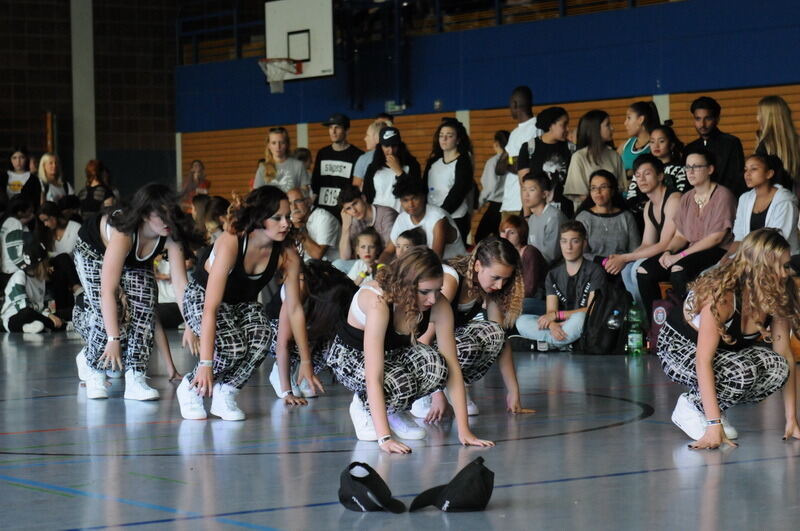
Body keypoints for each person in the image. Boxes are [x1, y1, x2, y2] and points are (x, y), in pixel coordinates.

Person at [323, 247, 494, 453]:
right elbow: (373, 376)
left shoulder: (437, 304)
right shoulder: (379, 303)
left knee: (436, 366)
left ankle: (395, 409)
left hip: (392, 354)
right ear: (405, 285)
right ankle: (362, 405)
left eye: (437, 290)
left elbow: (452, 367)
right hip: (351, 357)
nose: (432, 299)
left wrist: (464, 431)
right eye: (424, 292)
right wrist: (384, 438)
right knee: (395, 380)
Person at [177, 186, 322, 420]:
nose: (286, 223)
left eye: (287, 216)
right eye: (277, 218)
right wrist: (205, 363)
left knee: (263, 335)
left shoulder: (287, 252)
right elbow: (211, 308)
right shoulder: (232, 242)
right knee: (232, 346)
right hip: (203, 298)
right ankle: (190, 387)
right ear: (259, 218)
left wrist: (305, 361)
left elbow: (294, 308)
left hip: (241, 303)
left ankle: (226, 392)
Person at [657, 228, 800, 448]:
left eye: (786, 265)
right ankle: (693, 406)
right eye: (779, 267)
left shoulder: (777, 293)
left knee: (777, 367)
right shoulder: (723, 296)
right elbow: (703, 359)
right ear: (759, 268)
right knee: (742, 371)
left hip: (725, 351)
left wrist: (792, 419)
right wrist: (714, 426)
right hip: (679, 345)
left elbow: (786, 356)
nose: (784, 273)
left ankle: (711, 408)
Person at [73, 184, 203, 401]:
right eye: (162, 216)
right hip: (93, 252)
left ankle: (136, 376)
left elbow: (180, 283)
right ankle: (93, 367)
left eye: (172, 214)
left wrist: (190, 324)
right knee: (105, 308)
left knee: (144, 306)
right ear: (144, 215)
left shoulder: (169, 234)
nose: (169, 221)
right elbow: (107, 290)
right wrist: (113, 338)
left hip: (135, 257)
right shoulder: (124, 233)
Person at [414, 237, 533, 420]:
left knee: (494, 335)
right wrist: (435, 393)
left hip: (441, 347)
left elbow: (500, 341)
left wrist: (514, 391)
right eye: (496, 277)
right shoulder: (451, 280)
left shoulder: (488, 289)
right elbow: (423, 340)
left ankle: (453, 389)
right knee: (464, 346)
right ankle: (423, 394)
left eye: (505, 279)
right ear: (478, 266)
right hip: (413, 350)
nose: (500, 285)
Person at [636, 147, 736, 315]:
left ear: (710, 169)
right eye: (687, 167)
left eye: (696, 167)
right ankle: (657, 324)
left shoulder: (723, 195)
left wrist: (681, 255)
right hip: (690, 250)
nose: (690, 172)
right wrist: (668, 251)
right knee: (644, 271)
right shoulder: (687, 197)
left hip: (716, 251)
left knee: (679, 269)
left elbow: (716, 238)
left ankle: (685, 322)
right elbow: (680, 236)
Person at [267, 259, 355, 406]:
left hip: (310, 317)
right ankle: (280, 373)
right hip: (278, 320)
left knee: (331, 342)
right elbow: (283, 344)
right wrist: (287, 392)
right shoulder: (297, 286)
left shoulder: (336, 283)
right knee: (295, 341)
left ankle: (303, 377)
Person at [606, 154, 682, 309]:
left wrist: (626, 256)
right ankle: (640, 318)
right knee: (626, 268)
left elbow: (665, 244)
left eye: (647, 174)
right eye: (638, 175)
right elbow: (647, 243)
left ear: (660, 176)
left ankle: (652, 319)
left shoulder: (674, 199)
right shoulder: (648, 206)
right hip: (661, 252)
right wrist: (623, 259)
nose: (641, 179)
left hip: (676, 253)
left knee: (636, 268)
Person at [515, 221, 605, 349]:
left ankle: (548, 345)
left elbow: (592, 310)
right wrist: (552, 325)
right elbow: (550, 311)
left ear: (584, 243)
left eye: (575, 241)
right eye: (564, 241)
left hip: (578, 323)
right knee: (521, 321)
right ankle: (565, 345)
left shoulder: (595, 271)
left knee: (581, 317)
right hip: (560, 327)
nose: (568, 247)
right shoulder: (553, 274)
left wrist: (557, 316)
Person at [729, 154, 799, 256]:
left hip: (778, 260)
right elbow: (739, 237)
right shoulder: (744, 199)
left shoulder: (785, 201)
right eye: (745, 170)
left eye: (753, 169)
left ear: (769, 174)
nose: (747, 174)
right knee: (712, 271)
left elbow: (775, 242)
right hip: (749, 257)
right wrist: (725, 259)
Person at [575, 170, 641, 270]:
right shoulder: (583, 218)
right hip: (592, 269)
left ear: (613, 190)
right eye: (593, 188)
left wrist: (622, 261)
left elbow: (635, 250)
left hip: (624, 267)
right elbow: (580, 253)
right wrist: (603, 261)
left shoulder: (626, 216)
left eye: (603, 187)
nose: (598, 192)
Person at [389, 175, 466, 260]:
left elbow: (436, 258)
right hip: (425, 266)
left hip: (455, 267)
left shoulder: (438, 218)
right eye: (405, 200)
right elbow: (388, 252)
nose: (410, 205)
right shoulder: (402, 218)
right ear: (400, 201)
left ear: (423, 197)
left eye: (414, 199)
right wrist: (380, 267)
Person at [423, 118, 474, 244]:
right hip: (431, 216)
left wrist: (441, 214)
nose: (444, 139)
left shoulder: (463, 162)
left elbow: (458, 192)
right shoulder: (433, 162)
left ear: (458, 140)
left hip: (454, 218)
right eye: (441, 136)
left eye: (449, 136)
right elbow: (423, 188)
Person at [518, 106, 575, 218]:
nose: (568, 129)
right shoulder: (529, 148)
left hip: (564, 213)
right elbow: (524, 186)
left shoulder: (571, 149)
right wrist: (527, 215)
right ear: (551, 125)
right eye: (563, 125)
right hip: (536, 213)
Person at [685, 96, 746, 197]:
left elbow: (737, 179)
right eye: (698, 119)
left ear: (717, 119)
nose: (702, 124)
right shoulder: (690, 148)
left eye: (707, 118)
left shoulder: (731, 143)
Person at [1, 237, 64, 333]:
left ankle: (29, 328)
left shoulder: (41, 279)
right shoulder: (20, 276)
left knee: (59, 313)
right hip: (13, 318)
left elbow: (40, 306)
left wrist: (48, 314)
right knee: (27, 313)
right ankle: (61, 326)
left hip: (35, 316)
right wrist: (49, 316)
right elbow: (23, 307)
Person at [564, 110, 625, 208]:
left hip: (613, 212)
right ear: (595, 129)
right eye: (607, 125)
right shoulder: (579, 157)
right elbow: (580, 195)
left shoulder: (614, 156)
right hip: (588, 213)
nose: (612, 128)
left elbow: (621, 189)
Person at [625, 124, 687, 215]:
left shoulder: (680, 169)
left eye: (661, 141)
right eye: (652, 142)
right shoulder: (642, 166)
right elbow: (631, 194)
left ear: (672, 144)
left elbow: (681, 195)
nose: (656, 146)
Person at [311, 113, 364, 218]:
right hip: (322, 210)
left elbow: (357, 188)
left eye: (337, 127)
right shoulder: (322, 153)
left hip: (344, 211)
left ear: (347, 130)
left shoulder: (358, 155)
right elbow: (315, 183)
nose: (333, 132)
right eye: (330, 128)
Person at [500, 86, 541, 218]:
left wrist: (514, 161)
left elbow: (529, 165)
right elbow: (499, 167)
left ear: (514, 104)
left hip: (524, 204)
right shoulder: (514, 134)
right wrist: (514, 162)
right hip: (508, 203)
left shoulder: (536, 129)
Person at [362, 126, 421, 213]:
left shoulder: (412, 164)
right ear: (380, 147)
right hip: (379, 216)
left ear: (400, 146)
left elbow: (416, 192)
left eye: (394, 146)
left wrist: (399, 171)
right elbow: (367, 195)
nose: (391, 150)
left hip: (404, 216)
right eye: (386, 146)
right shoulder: (373, 167)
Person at [38, 201, 82, 318]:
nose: (46, 224)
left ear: (54, 216)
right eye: (43, 222)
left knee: (63, 261)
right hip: (52, 267)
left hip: (74, 268)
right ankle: (76, 288)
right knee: (62, 259)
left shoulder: (74, 227)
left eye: (47, 220)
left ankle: (63, 314)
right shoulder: (46, 233)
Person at [337, 185, 397, 266]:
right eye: (348, 208)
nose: (354, 211)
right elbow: (345, 257)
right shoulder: (355, 220)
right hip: (368, 264)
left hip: (389, 262)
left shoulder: (387, 215)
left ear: (363, 198)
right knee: (338, 264)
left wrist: (377, 267)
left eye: (355, 204)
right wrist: (345, 227)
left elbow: (392, 250)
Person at [499, 215, 546, 312]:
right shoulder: (505, 254)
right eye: (503, 232)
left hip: (537, 300)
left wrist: (506, 302)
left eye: (511, 232)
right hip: (517, 299)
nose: (506, 236)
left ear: (521, 235)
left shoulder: (529, 252)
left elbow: (530, 289)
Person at [523, 171, 567, 265]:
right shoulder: (532, 219)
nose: (526, 194)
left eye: (531, 190)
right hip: (536, 268)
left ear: (544, 194)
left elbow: (551, 256)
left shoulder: (554, 218)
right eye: (524, 189)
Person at [755, 95, 800, 186]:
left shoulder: (765, 145)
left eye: (759, 114)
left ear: (768, 117)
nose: (757, 118)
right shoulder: (797, 141)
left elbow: (758, 179)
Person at [286, 188, 340, 262]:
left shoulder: (324, 218)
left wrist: (300, 231)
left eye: (298, 201)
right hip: (304, 266)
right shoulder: (290, 219)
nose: (294, 207)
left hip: (329, 266)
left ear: (308, 201)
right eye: (290, 203)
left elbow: (317, 255)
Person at [252, 127, 310, 195]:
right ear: (268, 145)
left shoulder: (298, 165)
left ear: (287, 144)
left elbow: (305, 192)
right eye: (274, 143)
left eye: (282, 142)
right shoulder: (262, 168)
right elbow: (257, 194)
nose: (278, 147)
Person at [475, 130, 510, 242]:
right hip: (509, 205)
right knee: (502, 237)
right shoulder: (512, 160)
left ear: (496, 143)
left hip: (495, 206)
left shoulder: (493, 161)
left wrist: (479, 204)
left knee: (480, 237)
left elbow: (489, 187)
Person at [1, 196, 35, 291]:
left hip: (6, 269)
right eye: (29, 210)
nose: (32, 211)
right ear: (20, 212)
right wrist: (28, 269)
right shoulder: (15, 225)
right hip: (13, 271)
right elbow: (14, 254)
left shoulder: (8, 222)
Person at [618, 101, 660, 177]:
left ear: (641, 119)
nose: (625, 123)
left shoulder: (655, 146)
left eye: (629, 118)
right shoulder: (625, 145)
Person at [353, 118, 393, 187]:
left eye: (368, 135)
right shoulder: (363, 159)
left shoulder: (363, 159)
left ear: (377, 138)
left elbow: (356, 188)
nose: (365, 138)